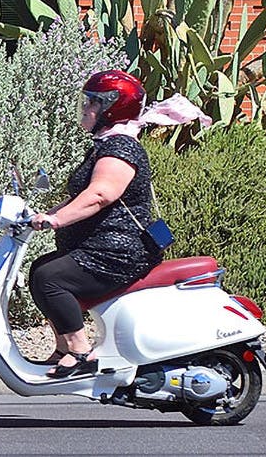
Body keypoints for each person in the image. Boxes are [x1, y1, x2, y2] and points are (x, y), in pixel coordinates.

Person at [25, 70, 169, 379]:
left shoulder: (121, 147)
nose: (86, 109)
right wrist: (42, 215)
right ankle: (64, 346)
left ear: (113, 108)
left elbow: (101, 194)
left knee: (51, 278)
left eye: (93, 103)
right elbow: (80, 196)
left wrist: (56, 220)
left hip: (118, 251)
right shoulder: (107, 144)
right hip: (101, 247)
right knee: (40, 270)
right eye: (87, 102)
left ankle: (80, 353)